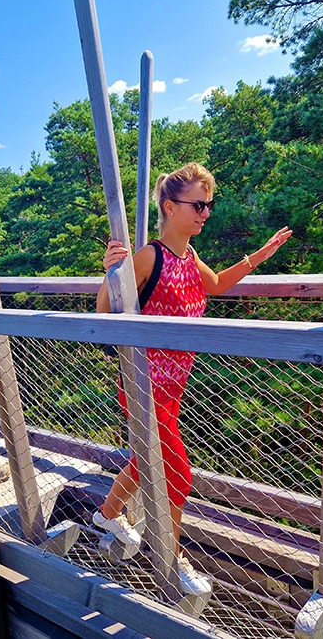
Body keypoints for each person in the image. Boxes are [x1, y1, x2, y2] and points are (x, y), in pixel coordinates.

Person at [93, 162, 291, 596]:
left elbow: (217, 285)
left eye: (209, 205)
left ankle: (108, 512)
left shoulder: (189, 258)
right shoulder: (149, 256)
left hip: (174, 387)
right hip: (143, 384)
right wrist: (110, 273)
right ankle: (172, 557)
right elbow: (104, 314)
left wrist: (261, 255)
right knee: (177, 472)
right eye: (198, 205)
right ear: (170, 206)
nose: (206, 212)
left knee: (148, 457)